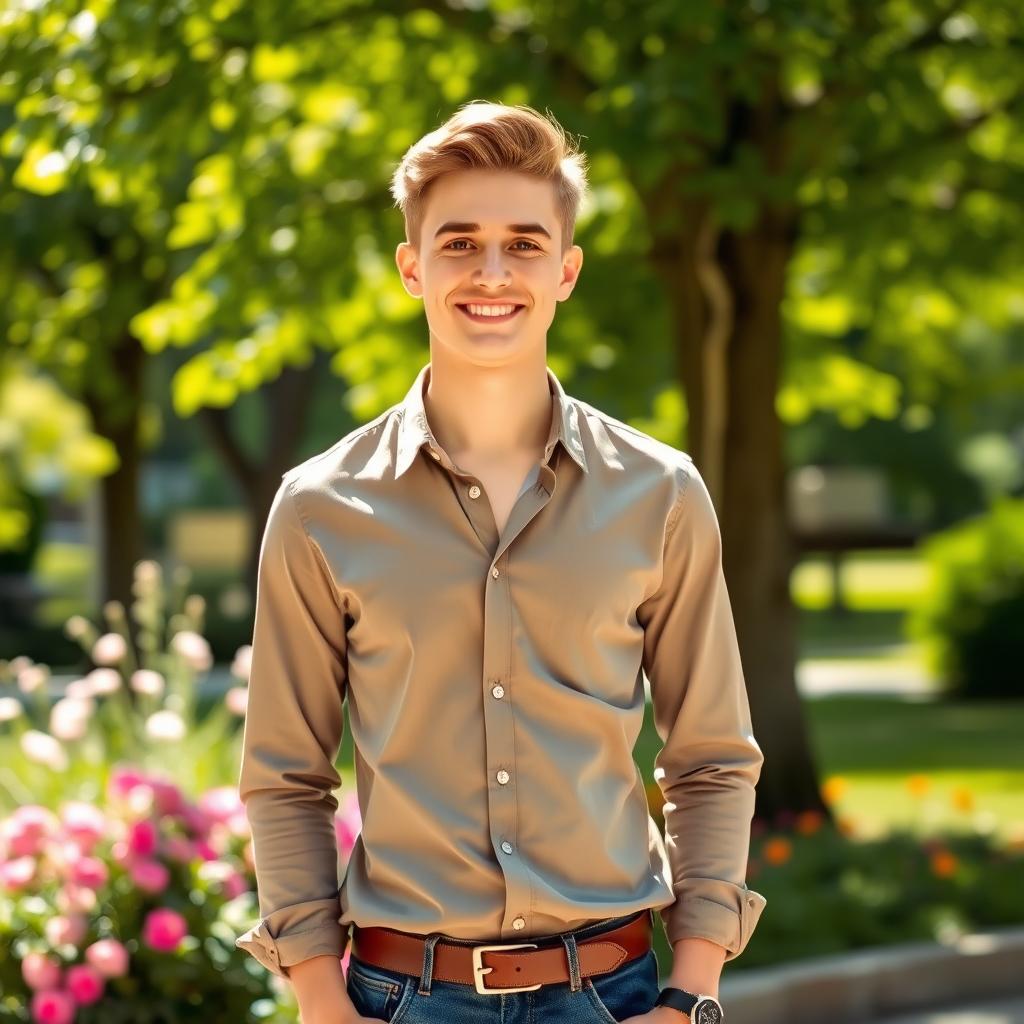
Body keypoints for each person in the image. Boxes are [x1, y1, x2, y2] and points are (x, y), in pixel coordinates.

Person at [235, 100, 767, 1024]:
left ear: (566, 272)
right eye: (459, 243)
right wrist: (320, 1000)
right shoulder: (320, 508)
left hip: (617, 995)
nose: (491, 273)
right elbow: (286, 776)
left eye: (523, 245)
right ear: (412, 267)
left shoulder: (662, 495)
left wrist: (693, 994)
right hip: (402, 1000)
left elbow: (712, 759)